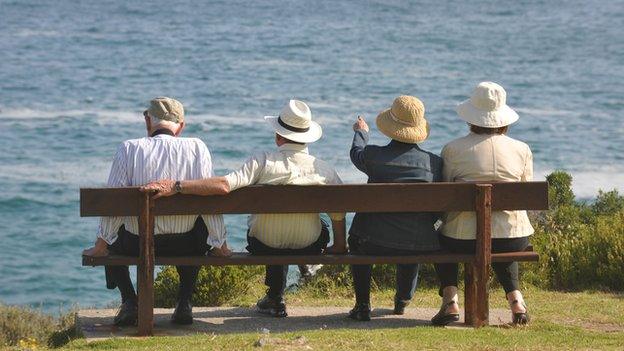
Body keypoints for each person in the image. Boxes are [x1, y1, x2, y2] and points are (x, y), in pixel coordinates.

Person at [142, 99, 347, 318]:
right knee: (319, 224)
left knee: (269, 229)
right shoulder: (324, 169)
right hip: (309, 246)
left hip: (264, 244)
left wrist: (177, 185)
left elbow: (224, 185)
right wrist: (340, 245)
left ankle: (275, 297)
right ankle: (284, 288)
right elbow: (340, 209)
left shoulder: (263, 161)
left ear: (278, 137)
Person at [82, 97, 230, 326]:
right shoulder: (197, 147)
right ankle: (184, 302)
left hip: (137, 242)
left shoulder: (129, 148)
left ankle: (130, 301)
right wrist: (219, 244)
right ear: (181, 125)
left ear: (147, 121)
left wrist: (102, 245)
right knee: (200, 226)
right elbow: (208, 202)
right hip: (186, 243)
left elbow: (114, 206)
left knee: (112, 235)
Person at [432, 82, 534, 326]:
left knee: (440, 238)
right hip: (513, 236)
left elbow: (445, 194)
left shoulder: (453, 149)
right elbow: (525, 191)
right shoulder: (522, 149)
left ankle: (450, 300)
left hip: (462, 238)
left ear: (472, 117)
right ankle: (516, 300)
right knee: (497, 236)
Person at [348, 96, 443, 321]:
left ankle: (362, 305)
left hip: (372, 242)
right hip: (416, 243)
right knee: (412, 231)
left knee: (356, 239)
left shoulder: (373, 157)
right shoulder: (434, 164)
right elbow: (439, 209)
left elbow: (356, 154)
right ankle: (402, 299)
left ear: (390, 127)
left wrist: (361, 132)